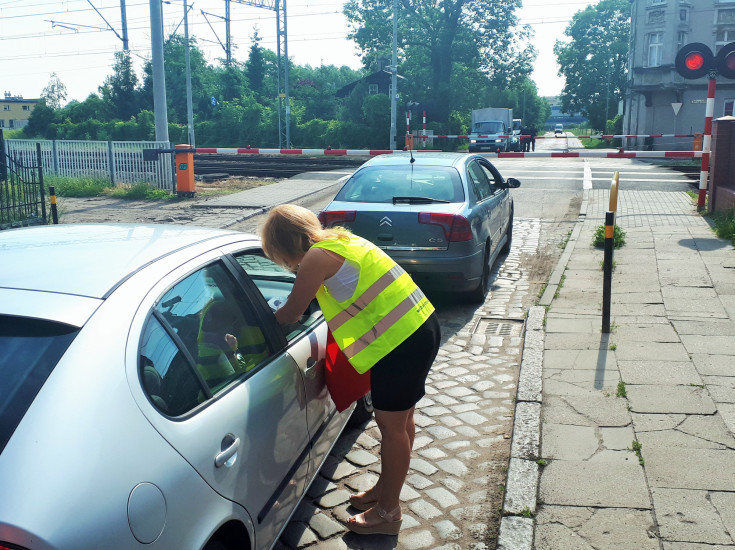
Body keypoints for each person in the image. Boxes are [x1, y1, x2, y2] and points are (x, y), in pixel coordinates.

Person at [260, 204, 441, 536]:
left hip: (399, 343)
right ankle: (387, 491)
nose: (285, 265)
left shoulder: (314, 258)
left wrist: (257, 324)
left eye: (279, 256)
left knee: (393, 429)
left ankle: (388, 514)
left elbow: (291, 313)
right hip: (418, 327)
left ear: (284, 244)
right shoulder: (342, 240)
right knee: (402, 421)